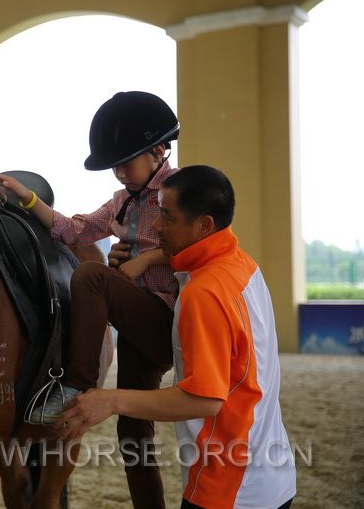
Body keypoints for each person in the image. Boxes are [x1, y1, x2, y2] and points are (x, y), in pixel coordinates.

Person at [58, 165, 297, 509]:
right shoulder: (242, 266)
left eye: (167, 218)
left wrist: (111, 400)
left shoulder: (204, 292)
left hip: (229, 488)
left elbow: (204, 400)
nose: (155, 226)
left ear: (203, 226)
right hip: (273, 477)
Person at [0, 91, 180, 507]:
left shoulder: (178, 192)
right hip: (136, 326)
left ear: (158, 151)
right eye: (113, 165)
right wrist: (26, 197)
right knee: (132, 435)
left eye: (125, 162)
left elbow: (206, 236)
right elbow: (74, 230)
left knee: (92, 274)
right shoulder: (120, 203)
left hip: (168, 317)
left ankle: (75, 382)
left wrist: (145, 258)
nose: (118, 173)